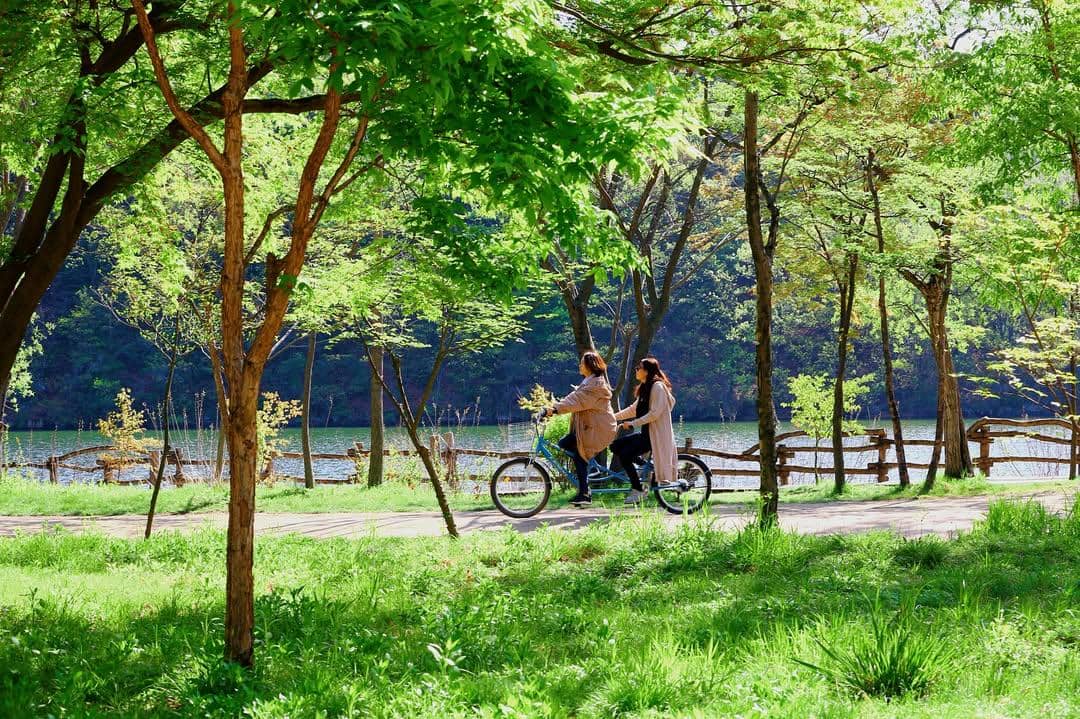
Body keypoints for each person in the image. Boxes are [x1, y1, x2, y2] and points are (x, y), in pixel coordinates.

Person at [544, 351, 617, 506]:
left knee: (579, 454)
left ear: (590, 366)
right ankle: (587, 475)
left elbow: (577, 400)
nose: (580, 365)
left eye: (582, 363)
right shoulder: (589, 382)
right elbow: (574, 398)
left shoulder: (595, 386)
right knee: (565, 443)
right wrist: (554, 407)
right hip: (591, 427)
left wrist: (554, 409)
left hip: (599, 429)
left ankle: (584, 493)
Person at [613, 357, 677, 504]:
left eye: (638, 368)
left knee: (625, 455)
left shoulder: (658, 387)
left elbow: (654, 413)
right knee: (615, 446)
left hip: (655, 437)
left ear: (647, 371)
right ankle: (648, 468)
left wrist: (633, 424)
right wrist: (613, 417)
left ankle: (638, 490)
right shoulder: (645, 388)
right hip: (646, 434)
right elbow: (633, 410)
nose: (636, 370)